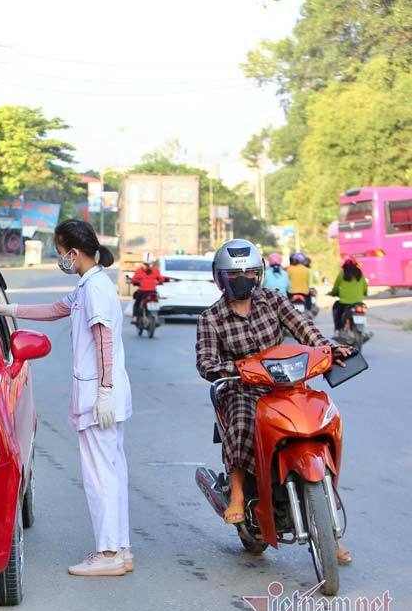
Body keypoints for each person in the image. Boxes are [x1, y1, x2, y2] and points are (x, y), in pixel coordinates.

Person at [0, 219, 133, 577]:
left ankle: (108, 553)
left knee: (100, 476)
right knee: (111, 472)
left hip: (100, 395)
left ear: (73, 252)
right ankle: (120, 549)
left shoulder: (96, 289)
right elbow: (56, 309)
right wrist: (10, 311)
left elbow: (103, 340)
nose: (60, 260)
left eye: (59, 253)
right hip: (104, 393)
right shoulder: (89, 286)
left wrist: (104, 391)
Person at [195, 239, 352, 563]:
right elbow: (206, 363)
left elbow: (303, 327)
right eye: (235, 275)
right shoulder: (211, 318)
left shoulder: (273, 301)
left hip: (283, 384)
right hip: (242, 387)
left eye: (250, 273)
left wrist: (328, 350)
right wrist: (240, 368)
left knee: (321, 413)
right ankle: (237, 493)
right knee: (241, 419)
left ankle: (330, 534)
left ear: (260, 275)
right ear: (220, 278)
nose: (243, 280)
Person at [328, 256, 369, 336]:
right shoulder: (360, 273)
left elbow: (336, 287)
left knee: (336, 309)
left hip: (344, 303)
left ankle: (337, 330)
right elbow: (365, 287)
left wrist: (333, 293)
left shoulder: (342, 273)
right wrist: (364, 293)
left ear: (345, 265)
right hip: (358, 302)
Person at [130, 251, 165, 322]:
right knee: (157, 301)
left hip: (142, 292)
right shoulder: (156, 270)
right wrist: (160, 282)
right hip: (153, 292)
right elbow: (161, 279)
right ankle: (157, 317)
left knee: (137, 303)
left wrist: (136, 282)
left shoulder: (139, 270)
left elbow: (134, 280)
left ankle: (135, 317)